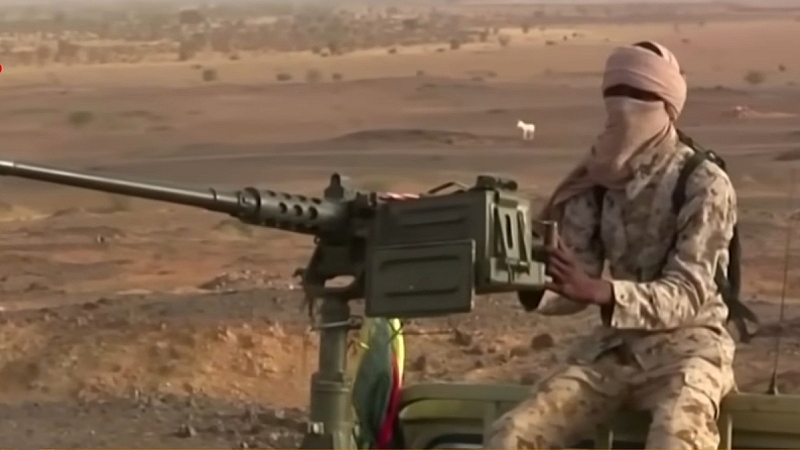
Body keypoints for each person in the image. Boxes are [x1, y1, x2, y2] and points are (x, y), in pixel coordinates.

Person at [486, 41, 738, 449]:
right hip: (615, 351)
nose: (624, 107)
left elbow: (688, 293)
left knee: (677, 439)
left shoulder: (703, 182)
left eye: (638, 95)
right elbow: (575, 280)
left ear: (666, 104)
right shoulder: (599, 179)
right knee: (511, 435)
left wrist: (604, 292)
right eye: (615, 94)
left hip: (689, 349)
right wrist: (527, 274)